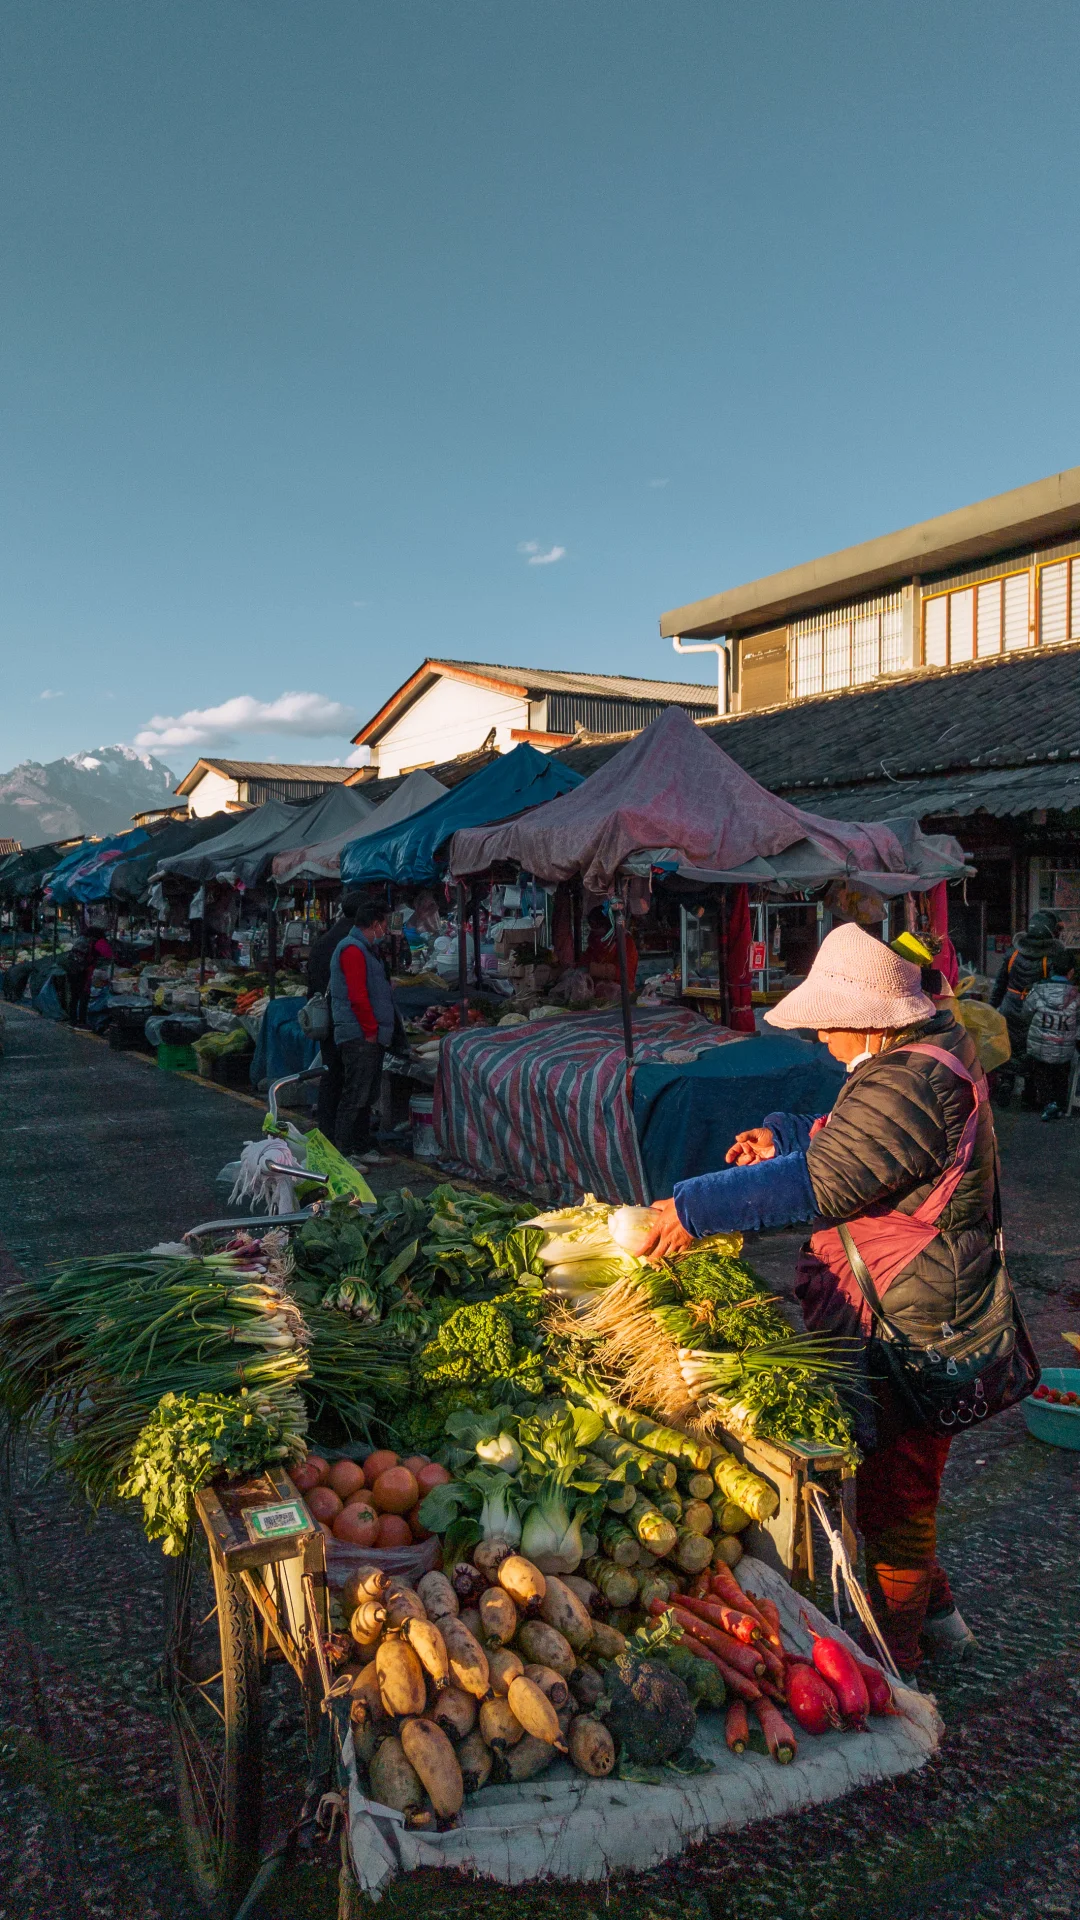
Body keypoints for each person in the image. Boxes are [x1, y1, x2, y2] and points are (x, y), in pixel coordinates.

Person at [647, 922, 1012, 1681]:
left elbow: (825, 1181)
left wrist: (692, 1210)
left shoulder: (915, 1079)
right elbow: (848, 1144)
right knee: (891, 1475)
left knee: (898, 1497)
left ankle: (897, 1665)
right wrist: (782, 1134)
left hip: (918, 1319)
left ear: (869, 1016)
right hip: (910, 1300)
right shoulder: (910, 1059)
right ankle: (941, 1623)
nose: (817, 1032)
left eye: (824, 1019)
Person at [328, 899, 398, 1164]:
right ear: (375, 924)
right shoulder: (352, 950)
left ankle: (361, 1146)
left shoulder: (365, 949)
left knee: (366, 1095)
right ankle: (344, 1152)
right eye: (385, 925)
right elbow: (357, 996)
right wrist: (369, 1030)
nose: (386, 931)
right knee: (355, 1094)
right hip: (359, 1035)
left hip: (368, 1034)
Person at [306, 893, 364, 1140]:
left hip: (326, 1018)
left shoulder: (326, 938)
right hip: (346, 1020)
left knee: (331, 1076)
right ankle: (345, 1139)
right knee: (350, 1080)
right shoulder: (351, 942)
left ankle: (327, 1131)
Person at [990, 909, 1072, 1083]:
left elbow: (1000, 984)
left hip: (1009, 1007)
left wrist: (991, 1007)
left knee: (1008, 1047)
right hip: (1034, 1010)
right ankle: (1029, 1093)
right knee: (1031, 1050)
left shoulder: (1012, 953)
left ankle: (1006, 1083)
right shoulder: (1051, 957)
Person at [1023, 963, 1078, 1120]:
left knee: (1041, 1073)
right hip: (1064, 1046)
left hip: (1040, 1045)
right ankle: (1058, 1105)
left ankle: (1047, 1104)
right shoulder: (1076, 994)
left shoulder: (1038, 990)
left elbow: (1026, 1012)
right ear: (1071, 971)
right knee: (1061, 1076)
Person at [64, 928, 114, 1027]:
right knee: (84, 995)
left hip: (72, 969)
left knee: (74, 996)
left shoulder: (81, 939)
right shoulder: (99, 942)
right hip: (85, 970)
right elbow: (109, 955)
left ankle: (72, 1020)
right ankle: (82, 1022)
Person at [584, 904, 637, 989]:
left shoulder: (625, 941)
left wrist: (593, 969)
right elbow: (586, 959)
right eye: (592, 926)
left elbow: (625, 971)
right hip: (599, 992)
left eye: (596, 926)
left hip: (621, 993)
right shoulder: (594, 940)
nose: (594, 930)